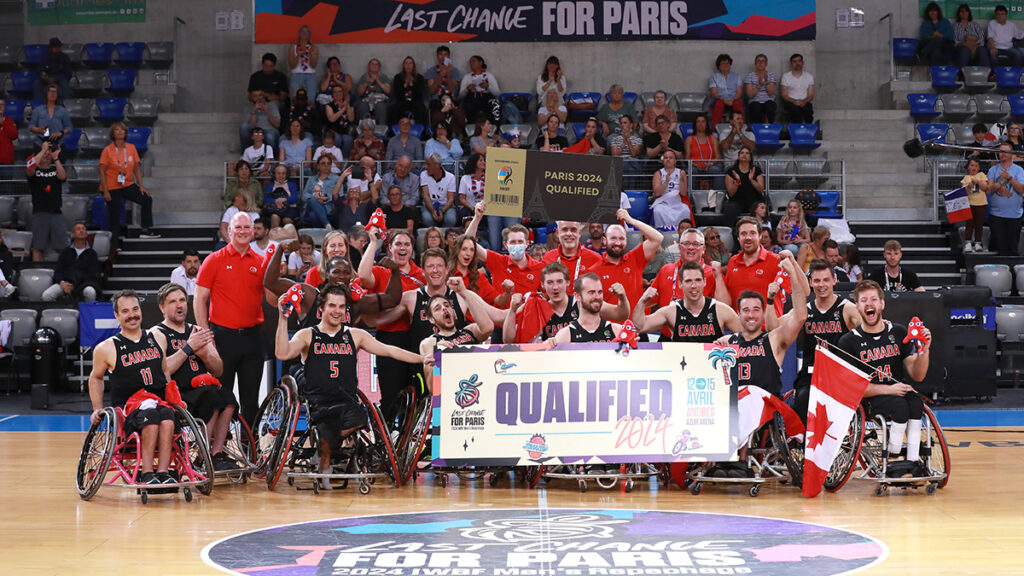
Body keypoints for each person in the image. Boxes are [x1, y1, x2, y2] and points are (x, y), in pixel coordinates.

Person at [276, 284, 430, 477]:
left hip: (346, 399)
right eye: (332, 306)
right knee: (328, 429)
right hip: (319, 401)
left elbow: (390, 350)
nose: (337, 311)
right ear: (321, 308)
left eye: (341, 307)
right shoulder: (307, 334)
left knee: (361, 419)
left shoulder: (355, 335)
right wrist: (283, 319)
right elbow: (282, 353)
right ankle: (327, 447)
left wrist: (422, 358)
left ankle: (329, 448)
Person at [716, 253, 807, 477]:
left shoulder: (773, 339)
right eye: (746, 310)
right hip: (737, 402)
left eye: (756, 310)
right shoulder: (729, 342)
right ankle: (718, 459)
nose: (751, 315)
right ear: (738, 314)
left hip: (768, 402)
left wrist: (794, 274)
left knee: (747, 395)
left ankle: (739, 460)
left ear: (762, 312)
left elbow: (801, 315)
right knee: (726, 398)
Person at [838, 280, 932, 477]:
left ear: (882, 304)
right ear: (857, 307)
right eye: (863, 300)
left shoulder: (898, 332)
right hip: (870, 398)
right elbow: (851, 388)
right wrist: (889, 389)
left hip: (897, 390)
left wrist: (925, 350)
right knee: (900, 406)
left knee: (915, 402)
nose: (869, 304)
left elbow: (918, 374)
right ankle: (893, 453)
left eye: (873, 299)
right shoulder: (848, 341)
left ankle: (913, 461)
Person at [88, 290, 179, 485]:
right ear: (117, 315)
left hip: (158, 402)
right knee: (152, 417)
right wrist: (97, 408)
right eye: (126, 311)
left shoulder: (157, 337)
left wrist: (174, 398)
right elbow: (95, 378)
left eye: (135, 309)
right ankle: (146, 473)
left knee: (168, 418)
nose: (132, 315)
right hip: (128, 409)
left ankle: (163, 473)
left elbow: (165, 372)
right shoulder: (107, 347)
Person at [150, 283, 238, 470]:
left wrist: (206, 356)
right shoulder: (157, 333)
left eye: (182, 300)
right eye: (173, 302)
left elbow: (219, 369)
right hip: (178, 393)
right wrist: (188, 348)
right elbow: (162, 369)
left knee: (229, 398)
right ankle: (202, 455)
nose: (179, 305)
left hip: (203, 389)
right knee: (212, 397)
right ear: (162, 307)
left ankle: (216, 453)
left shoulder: (197, 330)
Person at [194, 212, 268, 426]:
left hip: (253, 338)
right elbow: (199, 300)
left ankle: (249, 451)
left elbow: (272, 299)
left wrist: (276, 278)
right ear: (229, 231)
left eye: (247, 227)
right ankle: (218, 451)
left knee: (251, 401)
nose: (243, 231)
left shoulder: (262, 262)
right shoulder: (214, 260)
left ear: (253, 231)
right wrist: (206, 338)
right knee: (219, 398)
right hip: (222, 338)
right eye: (239, 227)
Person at [356, 228, 425, 416]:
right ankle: (388, 442)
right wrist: (372, 242)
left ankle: (411, 441)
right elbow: (363, 276)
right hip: (389, 338)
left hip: (417, 340)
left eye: (407, 244)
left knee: (418, 395)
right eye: (398, 244)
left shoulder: (422, 275)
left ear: (412, 249)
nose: (403, 248)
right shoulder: (381, 271)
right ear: (390, 248)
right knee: (391, 396)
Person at [791, 258, 861, 422]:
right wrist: (771, 302)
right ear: (810, 282)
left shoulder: (847, 308)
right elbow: (777, 326)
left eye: (826, 280)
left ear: (834, 280)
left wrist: (881, 324)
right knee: (802, 398)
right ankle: (804, 442)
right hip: (811, 374)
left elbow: (868, 326)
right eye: (817, 280)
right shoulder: (805, 311)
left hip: (839, 375)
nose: (821, 285)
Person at [504, 262, 627, 343]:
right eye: (550, 283)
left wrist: (622, 298)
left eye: (559, 282)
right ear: (542, 285)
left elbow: (620, 314)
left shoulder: (583, 300)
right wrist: (512, 310)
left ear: (568, 283)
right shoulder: (537, 307)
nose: (555, 287)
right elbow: (509, 341)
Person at [634, 259, 742, 342]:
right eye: (688, 281)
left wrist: (732, 338)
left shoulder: (720, 310)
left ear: (704, 282)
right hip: (681, 367)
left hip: (712, 368)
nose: (694, 285)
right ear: (680, 284)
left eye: (698, 280)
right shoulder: (671, 311)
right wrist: (642, 302)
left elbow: (748, 335)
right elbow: (639, 327)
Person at [650, 227, 732, 338]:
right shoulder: (666, 270)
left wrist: (717, 276)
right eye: (687, 243)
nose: (691, 247)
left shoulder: (712, 273)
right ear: (679, 247)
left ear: (703, 249)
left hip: (704, 339)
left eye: (696, 244)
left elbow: (725, 306)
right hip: (669, 339)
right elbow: (650, 301)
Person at [419, 277, 496, 392]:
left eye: (447, 305)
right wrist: (438, 355)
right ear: (431, 320)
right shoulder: (430, 342)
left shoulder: (469, 331)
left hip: (479, 386)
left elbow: (488, 327)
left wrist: (464, 293)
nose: (444, 309)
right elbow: (431, 387)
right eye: (437, 308)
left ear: (454, 313)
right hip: (453, 393)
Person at [465, 202, 542, 309]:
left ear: (527, 244)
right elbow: (467, 242)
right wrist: (477, 218)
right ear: (506, 245)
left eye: (520, 241)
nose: (517, 245)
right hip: (500, 321)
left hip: (527, 320)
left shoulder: (539, 267)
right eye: (513, 242)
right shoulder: (497, 260)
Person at [586, 208, 663, 312]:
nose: (618, 243)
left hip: (637, 326)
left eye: (621, 239)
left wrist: (631, 220)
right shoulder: (593, 271)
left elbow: (658, 238)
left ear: (626, 240)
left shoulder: (635, 258)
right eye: (613, 238)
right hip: (611, 327)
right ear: (604, 240)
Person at [101, 122, 157, 247]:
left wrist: (141, 186)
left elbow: (137, 168)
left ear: (126, 133)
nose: (120, 132)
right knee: (115, 215)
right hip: (112, 186)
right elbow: (102, 171)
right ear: (113, 133)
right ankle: (114, 245)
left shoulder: (131, 148)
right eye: (117, 130)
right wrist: (105, 191)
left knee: (146, 198)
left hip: (127, 184)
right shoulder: (107, 150)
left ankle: (145, 229)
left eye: (122, 130)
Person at [723, 217, 781, 309]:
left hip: (768, 323)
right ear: (738, 238)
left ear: (760, 236)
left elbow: (804, 291)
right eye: (743, 234)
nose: (748, 237)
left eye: (752, 233)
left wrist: (793, 263)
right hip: (737, 323)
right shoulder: (732, 262)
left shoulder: (776, 260)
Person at [552, 273, 627, 343]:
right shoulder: (565, 335)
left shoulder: (617, 331)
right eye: (591, 292)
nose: (597, 297)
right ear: (578, 296)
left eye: (600, 292)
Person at [26, 140, 66, 262]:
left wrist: (56, 158)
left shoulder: (54, 171)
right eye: (45, 153)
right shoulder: (34, 170)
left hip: (56, 212)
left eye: (49, 152)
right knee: (38, 246)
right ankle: (38, 274)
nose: (47, 154)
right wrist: (43, 150)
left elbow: (63, 176)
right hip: (40, 212)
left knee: (63, 247)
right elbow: (30, 168)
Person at [41, 222, 100, 302]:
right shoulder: (65, 252)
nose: (81, 231)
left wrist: (75, 285)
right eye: (78, 229)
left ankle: (87, 313)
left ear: (86, 234)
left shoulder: (92, 254)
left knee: (90, 292)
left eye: (83, 229)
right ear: (73, 235)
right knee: (47, 295)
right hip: (65, 283)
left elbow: (93, 274)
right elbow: (58, 272)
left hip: (84, 284)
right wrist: (62, 283)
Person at [540, 220, 603, 293]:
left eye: (573, 230)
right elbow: (543, 289)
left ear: (579, 233)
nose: (569, 233)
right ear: (557, 233)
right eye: (564, 229)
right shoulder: (548, 257)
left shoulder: (595, 258)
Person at [985, 142, 1024, 255]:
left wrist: (1009, 178)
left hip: (1015, 216)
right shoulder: (993, 170)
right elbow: (989, 189)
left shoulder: (1019, 170)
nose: (1003, 154)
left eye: (1006, 151)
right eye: (1001, 152)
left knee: (1013, 248)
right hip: (996, 215)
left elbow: (1021, 189)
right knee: (1000, 249)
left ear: (1012, 154)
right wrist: (1001, 182)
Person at [448, 233, 499, 304]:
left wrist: (507, 292)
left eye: (472, 250)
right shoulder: (445, 274)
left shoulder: (479, 277)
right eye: (464, 249)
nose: (468, 253)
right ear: (456, 251)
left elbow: (498, 300)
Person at [650, 149, 691, 228]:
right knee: (657, 211)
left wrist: (682, 179)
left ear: (675, 161)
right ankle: (661, 231)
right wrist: (666, 182)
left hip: (677, 203)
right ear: (663, 160)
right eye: (666, 158)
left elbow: (684, 193)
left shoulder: (681, 172)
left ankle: (683, 231)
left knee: (686, 209)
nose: (668, 159)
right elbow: (657, 193)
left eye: (671, 158)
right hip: (663, 203)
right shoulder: (658, 173)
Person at [301, 155, 345, 228]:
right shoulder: (311, 179)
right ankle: (327, 224)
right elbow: (304, 195)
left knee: (313, 215)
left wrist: (326, 198)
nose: (326, 165)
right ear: (318, 166)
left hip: (329, 207)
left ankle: (324, 229)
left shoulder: (336, 179)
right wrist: (316, 198)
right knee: (312, 199)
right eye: (323, 163)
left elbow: (340, 194)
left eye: (328, 163)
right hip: (312, 205)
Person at [460, 55, 501, 124]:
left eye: (473, 61)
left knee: (496, 104)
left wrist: (488, 87)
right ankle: (471, 129)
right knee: (468, 105)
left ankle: (495, 129)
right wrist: (467, 89)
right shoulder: (467, 77)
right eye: (470, 62)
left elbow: (498, 93)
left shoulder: (489, 75)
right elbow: (460, 96)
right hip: (473, 97)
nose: (471, 64)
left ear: (480, 63)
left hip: (487, 97)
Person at [420, 153, 457, 228]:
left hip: (445, 206)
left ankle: (445, 235)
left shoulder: (450, 177)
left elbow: (451, 199)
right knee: (427, 219)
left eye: (428, 165)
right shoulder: (423, 174)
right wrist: (433, 211)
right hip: (429, 205)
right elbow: (426, 196)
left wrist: (442, 211)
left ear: (437, 165)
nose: (426, 167)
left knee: (451, 219)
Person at [29, 84, 71, 149]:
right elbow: (31, 126)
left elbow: (68, 127)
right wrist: (38, 129)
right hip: (41, 144)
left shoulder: (62, 110)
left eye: (55, 92)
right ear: (46, 94)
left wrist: (60, 133)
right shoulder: (38, 110)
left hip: (58, 144)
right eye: (50, 91)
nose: (53, 94)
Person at [961, 157, 990, 253]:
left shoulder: (982, 175)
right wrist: (969, 186)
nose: (974, 167)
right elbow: (964, 192)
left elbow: (986, 188)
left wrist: (978, 182)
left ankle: (978, 242)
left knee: (979, 225)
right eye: (972, 165)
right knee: (969, 224)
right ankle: (968, 243)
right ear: (968, 167)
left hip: (981, 204)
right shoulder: (966, 178)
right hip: (970, 205)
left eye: (976, 166)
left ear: (979, 168)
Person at [388, 56, 427, 126]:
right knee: (393, 109)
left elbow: (420, 94)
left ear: (413, 66)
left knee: (421, 109)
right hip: (402, 101)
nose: (408, 65)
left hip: (415, 102)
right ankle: (393, 132)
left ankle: (421, 132)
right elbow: (397, 94)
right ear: (403, 66)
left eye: (410, 63)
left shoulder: (419, 78)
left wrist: (412, 84)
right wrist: (405, 84)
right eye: (406, 63)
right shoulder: (398, 77)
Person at [708, 54, 743, 127]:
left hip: (734, 99)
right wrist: (724, 100)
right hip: (720, 99)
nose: (726, 65)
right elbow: (714, 93)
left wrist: (732, 100)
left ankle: (741, 128)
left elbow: (739, 93)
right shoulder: (714, 77)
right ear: (718, 66)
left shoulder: (737, 76)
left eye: (727, 63)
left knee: (738, 104)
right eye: (723, 63)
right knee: (719, 104)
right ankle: (715, 129)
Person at [425, 45, 463, 112]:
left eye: (445, 54)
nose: (443, 57)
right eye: (441, 54)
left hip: (451, 98)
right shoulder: (431, 71)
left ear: (449, 57)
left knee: (456, 104)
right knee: (434, 105)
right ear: (437, 56)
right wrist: (440, 76)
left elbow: (452, 89)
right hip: (436, 99)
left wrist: (448, 73)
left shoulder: (455, 71)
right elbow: (431, 91)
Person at [953, 3, 991, 68]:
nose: (964, 13)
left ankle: (986, 74)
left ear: (969, 13)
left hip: (975, 48)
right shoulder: (955, 26)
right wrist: (964, 44)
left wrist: (975, 46)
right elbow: (954, 41)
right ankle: (961, 74)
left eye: (966, 11)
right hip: (962, 47)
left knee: (982, 50)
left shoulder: (975, 25)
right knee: (965, 50)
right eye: (962, 12)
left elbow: (981, 39)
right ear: (959, 13)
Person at [355, 58, 391, 126]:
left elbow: (388, 91)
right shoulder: (364, 77)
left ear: (379, 67)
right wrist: (366, 82)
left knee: (381, 107)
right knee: (362, 106)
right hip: (366, 99)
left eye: (376, 64)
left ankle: (381, 130)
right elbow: (360, 93)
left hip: (380, 100)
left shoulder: (383, 77)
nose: (374, 66)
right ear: (369, 66)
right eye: (372, 64)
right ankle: (363, 130)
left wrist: (378, 81)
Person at [322, 86, 355, 159]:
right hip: (333, 131)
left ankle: (344, 161)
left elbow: (351, 119)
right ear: (332, 94)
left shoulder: (349, 105)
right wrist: (343, 109)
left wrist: (347, 105)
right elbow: (332, 119)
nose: (338, 94)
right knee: (337, 139)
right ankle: (334, 159)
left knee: (348, 140)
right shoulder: (329, 105)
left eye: (340, 91)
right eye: (335, 92)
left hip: (345, 132)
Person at [35, 37, 72, 102]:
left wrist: (56, 79)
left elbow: (68, 73)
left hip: (59, 78)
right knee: (36, 83)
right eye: (55, 47)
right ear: (51, 48)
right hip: (47, 78)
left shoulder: (64, 58)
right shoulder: (45, 57)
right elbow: (39, 71)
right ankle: (38, 104)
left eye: (59, 47)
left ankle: (67, 103)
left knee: (65, 84)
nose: (58, 49)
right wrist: (45, 78)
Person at [781, 54, 815, 124]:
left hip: (805, 101)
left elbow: (811, 95)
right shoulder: (786, 76)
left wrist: (804, 101)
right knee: (795, 111)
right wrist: (794, 101)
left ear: (803, 62)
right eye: (794, 61)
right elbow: (784, 95)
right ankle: (796, 132)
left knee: (808, 109)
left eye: (799, 61)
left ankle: (808, 131)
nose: (797, 63)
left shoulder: (809, 76)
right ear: (791, 64)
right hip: (791, 102)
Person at [744, 54, 778, 124]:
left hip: (768, 100)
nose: (760, 63)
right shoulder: (750, 76)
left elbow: (771, 93)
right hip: (755, 101)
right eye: (758, 61)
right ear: (755, 64)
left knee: (770, 106)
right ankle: (758, 128)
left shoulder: (770, 75)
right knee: (756, 107)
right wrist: (758, 85)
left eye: (763, 61)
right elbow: (750, 95)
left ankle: (769, 128)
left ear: (766, 64)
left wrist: (766, 82)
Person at [264, 164, 299, 228]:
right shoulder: (270, 186)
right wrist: (276, 201)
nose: (281, 176)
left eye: (283, 173)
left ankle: (290, 237)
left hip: (290, 208)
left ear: (286, 175)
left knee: (287, 220)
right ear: (274, 174)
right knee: (274, 217)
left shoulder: (292, 185)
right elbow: (266, 199)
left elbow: (294, 198)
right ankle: (275, 237)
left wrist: (284, 199)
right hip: (274, 208)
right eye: (278, 173)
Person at [287, 25, 319, 96]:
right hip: (296, 74)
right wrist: (298, 56)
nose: (305, 33)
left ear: (309, 35)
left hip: (310, 75)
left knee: (310, 99)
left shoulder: (314, 48)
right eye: (303, 31)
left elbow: (313, 65)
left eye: (307, 32)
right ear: (299, 33)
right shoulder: (293, 47)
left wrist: (310, 55)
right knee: (295, 98)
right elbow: (292, 65)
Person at [0, 99, 17, 194]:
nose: (0, 107)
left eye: (2, 105)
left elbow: (14, 135)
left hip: (6, 160)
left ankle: (7, 207)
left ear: (5, 107)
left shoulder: (9, 120)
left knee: (6, 187)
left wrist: (3, 123)